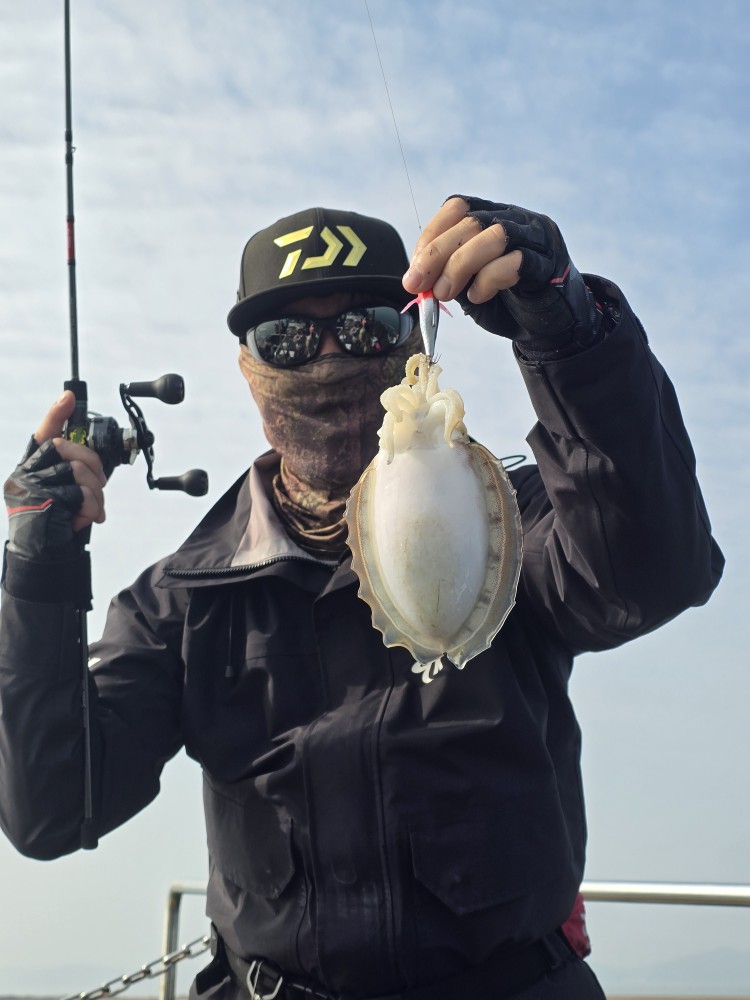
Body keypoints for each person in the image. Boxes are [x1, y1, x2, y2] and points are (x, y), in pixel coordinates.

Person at [0, 197, 723, 1000]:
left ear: (413, 341)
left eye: (367, 327)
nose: (329, 358)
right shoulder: (184, 601)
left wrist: (569, 330)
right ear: (248, 368)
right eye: (286, 340)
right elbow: (53, 806)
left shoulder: (506, 525)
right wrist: (37, 566)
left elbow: (655, 571)